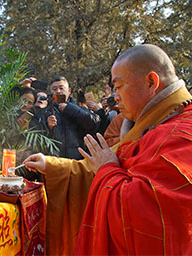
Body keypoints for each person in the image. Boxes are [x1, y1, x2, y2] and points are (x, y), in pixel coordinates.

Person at [23, 44, 192, 255]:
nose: (115, 97)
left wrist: (108, 169)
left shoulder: (182, 133)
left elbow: (150, 219)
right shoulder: (151, 124)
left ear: (151, 82)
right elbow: (97, 168)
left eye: (119, 87)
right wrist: (51, 164)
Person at [30, 76, 100, 160]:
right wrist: (47, 126)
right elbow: (33, 137)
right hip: (53, 163)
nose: (58, 91)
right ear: (51, 92)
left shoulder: (80, 109)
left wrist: (70, 109)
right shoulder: (43, 113)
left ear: (69, 91)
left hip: (78, 163)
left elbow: (94, 124)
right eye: (54, 89)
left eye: (61, 88)